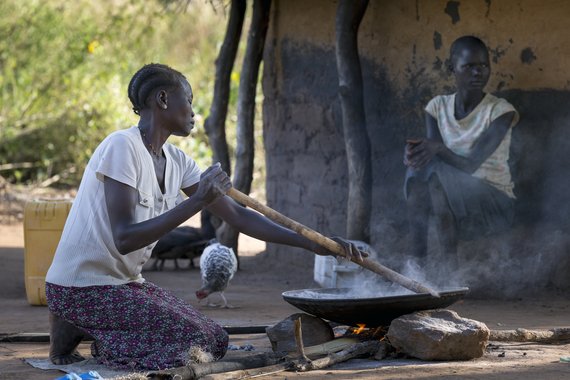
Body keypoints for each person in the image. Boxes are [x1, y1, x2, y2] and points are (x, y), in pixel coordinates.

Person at [45, 63, 364, 370]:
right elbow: (125, 238)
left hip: (124, 285)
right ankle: (92, 332)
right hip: (81, 287)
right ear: (163, 99)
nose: (194, 112)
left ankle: (89, 328)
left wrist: (311, 243)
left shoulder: (177, 161)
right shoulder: (121, 147)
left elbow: (239, 217)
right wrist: (198, 200)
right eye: (190, 100)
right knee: (197, 342)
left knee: (214, 339)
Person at [403, 36, 519, 270]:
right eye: (469, 66)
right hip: (450, 197)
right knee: (418, 173)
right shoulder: (437, 107)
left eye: (484, 65)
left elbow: (471, 165)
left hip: (492, 202)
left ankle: (450, 274)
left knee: (436, 178)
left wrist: (435, 148)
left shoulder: (501, 111)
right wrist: (414, 155)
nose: (478, 73)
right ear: (452, 69)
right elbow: (432, 159)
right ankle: (415, 269)